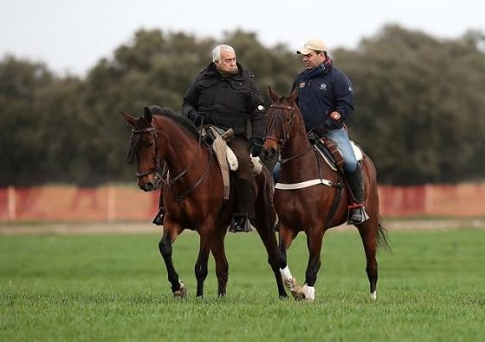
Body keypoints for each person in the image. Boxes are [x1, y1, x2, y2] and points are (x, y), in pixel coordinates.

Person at [153, 44, 265, 232]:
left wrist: (258, 138)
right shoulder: (202, 78)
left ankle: (242, 215)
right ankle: (164, 210)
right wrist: (192, 115)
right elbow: (187, 103)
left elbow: (258, 112)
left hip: (234, 136)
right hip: (204, 132)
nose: (233, 63)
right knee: (174, 156)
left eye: (234, 59)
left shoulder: (246, 82)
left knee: (243, 164)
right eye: (228, 60)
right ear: (216, 62)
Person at [291, 38, 368, 224]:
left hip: (332, 131)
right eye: (304, 56)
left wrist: (327, 124)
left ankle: (358, 207)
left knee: (350, 162)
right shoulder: (300, 79)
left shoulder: (337, 77)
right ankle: (286, 211)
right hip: (305, 135)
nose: (305, 59)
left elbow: (346, 106)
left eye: (309, 55)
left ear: (321, 55)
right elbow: (292, 106)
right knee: (278, 170)